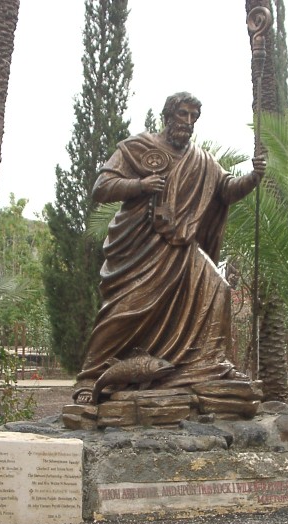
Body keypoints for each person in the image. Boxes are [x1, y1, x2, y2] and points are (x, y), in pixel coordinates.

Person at [73, 91, 265, 403]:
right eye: (182, 114)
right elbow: (102, 188)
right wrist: (139, 185)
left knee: (217, 288)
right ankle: (90, 377)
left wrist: (253, 177)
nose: (188, 122)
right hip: (139, 246)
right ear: (168, 116)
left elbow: (226, 190)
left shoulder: (203, 160)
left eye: (193, 117)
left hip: (182, 244)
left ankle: (210, 366)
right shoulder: (138, 147)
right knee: (128, 309)